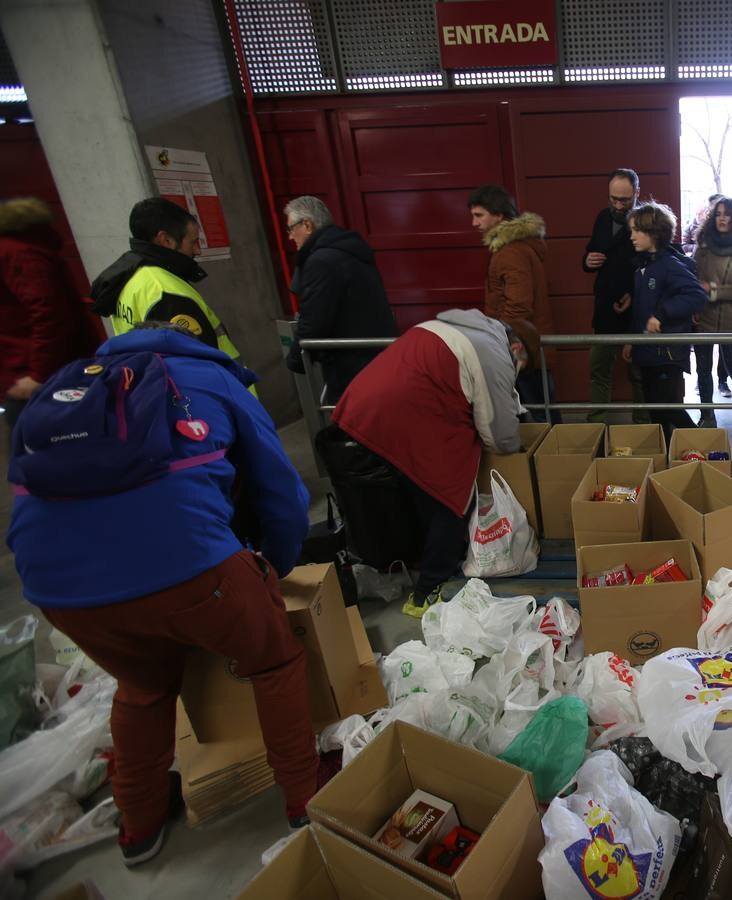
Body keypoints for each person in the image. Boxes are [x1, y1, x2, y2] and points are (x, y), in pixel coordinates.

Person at [6, 321, 313, 865]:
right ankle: (305, 802)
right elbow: (280, 489)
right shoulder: (211, 377)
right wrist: (273, 571)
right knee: (273, 661)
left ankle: (139, 830)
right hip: (189, 565)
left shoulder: (69, 386)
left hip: (54, 583)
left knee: (142, 685)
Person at [333, 309, 526, 618]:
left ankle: (414, 562)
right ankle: (427, 591)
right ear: (516, 348)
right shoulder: (492, 351)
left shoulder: (451, 325)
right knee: (450, 492)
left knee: (419, 489)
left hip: (364, 404)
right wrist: (517, 449)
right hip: (406, 414)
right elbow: (497, 433)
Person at [91, 198, 245, 367]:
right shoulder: (165, 292)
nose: (198, 250)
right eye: (193, 242)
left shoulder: (130, 277)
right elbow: (199, 369)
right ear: (166, 240)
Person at [283, 195, 397, 402]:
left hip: (351, 365)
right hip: (373, 356)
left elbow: (314, 320)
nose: (290, 237)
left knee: (352, 423)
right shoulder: (349, 248)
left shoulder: (322, 261)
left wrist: (295, 360)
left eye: (291, 228)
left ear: (307, 225)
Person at [0, 197, 99, 427]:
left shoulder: (16, 253)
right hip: (43, 370)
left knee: (51, 448)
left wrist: (38, 373)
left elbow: (49, 312)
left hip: (41, 375)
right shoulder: (25, 249)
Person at [468, 185, 557, 423]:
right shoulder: (516, 248)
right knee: (541, 414)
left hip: (520, 350)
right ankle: (554, 458)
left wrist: (500, 340)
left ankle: (551, 460)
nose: (474, 223)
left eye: (479, 215)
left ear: (498, 215)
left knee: (535, 417)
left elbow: (518, 306)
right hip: (525, 348)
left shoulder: (510, 253)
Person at [622, 202, 707, 439]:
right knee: (656, 412)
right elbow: (641, 309)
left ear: (654, 233)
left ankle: (708, 451)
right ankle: (670, 462)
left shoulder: (669, 265)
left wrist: (662, 315)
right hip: (647, 352)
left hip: (666, 354)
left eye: (636, 231)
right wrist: (631, 340)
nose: (632, 237)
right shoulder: (643, 267)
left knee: (670, 409)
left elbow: (696, 296)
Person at [583, 169, 647, 424]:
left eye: (625, 200)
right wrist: (587, 261)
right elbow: (591, 250)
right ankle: (596, 427)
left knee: (640, 373)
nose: (619, 206)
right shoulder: (602, 217)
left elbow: (655, 264)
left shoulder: (647, 221)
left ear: (637, 193)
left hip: (638, 310)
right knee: (598, 369)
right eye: (613, 199)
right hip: (605, 308)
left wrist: (634, 294)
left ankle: (644, 429)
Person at [692, 197, 732, 430]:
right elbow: (692, 280)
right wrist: (695, 305)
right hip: (703, 318)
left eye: (727, 214)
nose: (722, 218)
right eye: (718, 213)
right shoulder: (703, 245)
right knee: (703, 369)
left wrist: (712, 290)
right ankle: (706, 414)